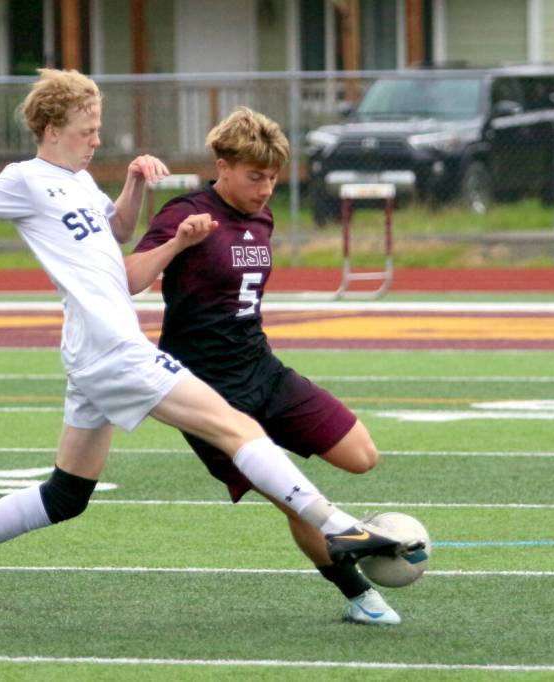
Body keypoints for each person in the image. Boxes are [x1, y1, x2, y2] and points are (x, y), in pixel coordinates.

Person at [0, 70, 419, 629]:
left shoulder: (79, 179)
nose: (96, 139)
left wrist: (131, 184)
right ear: (53, 129)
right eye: (88, 130)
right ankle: (340, 529)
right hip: (111, 348)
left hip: (95, 346)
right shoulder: (23, 178)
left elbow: (117, 236)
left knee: (65, 495)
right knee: (238, 429)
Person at [125, 107, 402, 625]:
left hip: (262, 367)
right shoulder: (183, 211)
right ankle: (357, 593)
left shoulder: (262, 214)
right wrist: (179, 241)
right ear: (222, 165)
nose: (266, 188)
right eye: (255, 176)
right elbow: (128, 280)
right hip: (207, 393)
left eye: (273, 178)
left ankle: (338, 531)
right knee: (294, 500)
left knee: (362, 455)